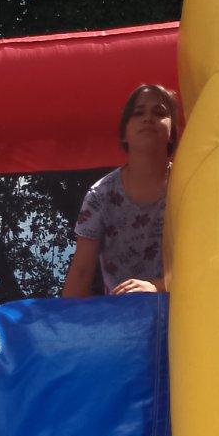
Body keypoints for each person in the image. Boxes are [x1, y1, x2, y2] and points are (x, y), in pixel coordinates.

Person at [62, 84, 178, 299]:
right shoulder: (101, 196)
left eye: (159, 112)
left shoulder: (186, 186)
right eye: (138, 113)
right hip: (121, 310)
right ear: (124, 134)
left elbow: (205, 259)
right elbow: (82, 272)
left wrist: (159, 286)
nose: (148, 118)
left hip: (182, 306)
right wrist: (63, 317)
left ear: (172, 134)